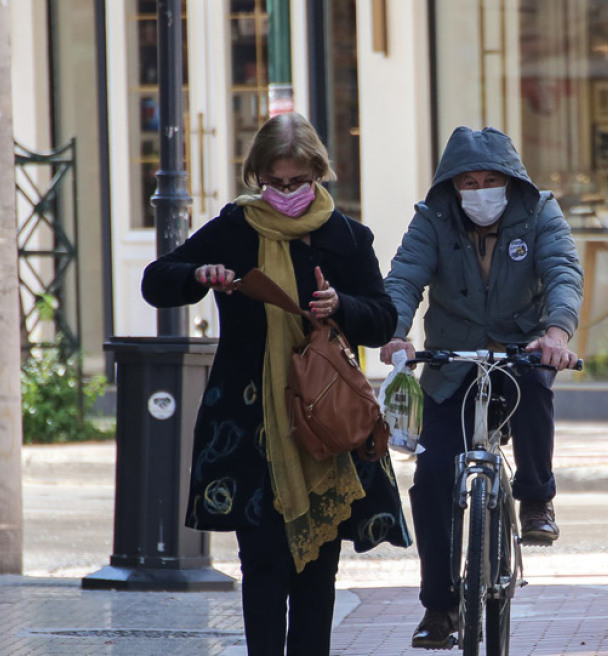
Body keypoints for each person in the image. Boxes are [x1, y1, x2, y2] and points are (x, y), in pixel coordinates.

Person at [141, 113, 409, 655]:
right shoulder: (234, 229)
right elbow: (155, 282)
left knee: (317, 569)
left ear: (318, 172)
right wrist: (198, 276)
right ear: (256, 175)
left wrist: (342, 306)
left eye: (296, 181)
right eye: (273, 182)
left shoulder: (348, 238)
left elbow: (384, 317)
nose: (284, 192)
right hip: (248, 425)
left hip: (328, 425)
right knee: (261, 562)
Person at [381, 126, 583, 649]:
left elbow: (563, 271)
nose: (479, 190)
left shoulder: (540, 212)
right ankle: (440, 609)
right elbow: (404, 277)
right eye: (467, 181)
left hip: (520, 350)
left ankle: (537, 499)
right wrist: (396, 331)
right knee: (430, 479)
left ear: (511, 181)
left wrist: (556, 334)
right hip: (451, 363)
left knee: (536, 385)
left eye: (490, 179)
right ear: (451, 186)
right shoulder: (432, 219)